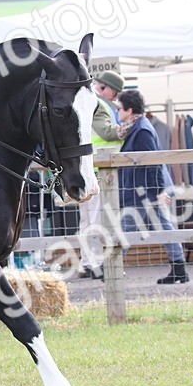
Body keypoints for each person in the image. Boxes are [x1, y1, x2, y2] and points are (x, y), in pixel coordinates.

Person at [115, 89, 189, 284]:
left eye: (119, 108)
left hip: (144, 191)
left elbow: (154, 163)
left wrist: (156, 192)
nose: (117, 112)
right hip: (143, 189)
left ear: (129, 110)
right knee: (161, 227)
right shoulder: (137, 128)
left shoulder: (141, 130)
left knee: (126, 230)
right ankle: (179, 268)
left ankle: (112, 270)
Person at [77, 69, 126, 279]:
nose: (115, 98)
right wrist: (125, 128)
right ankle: (94, 263)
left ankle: (86, 262)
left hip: (87, 167)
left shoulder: (94, 102)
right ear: (105, 88)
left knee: (87, 220)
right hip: (99, 169)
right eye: (114, 93)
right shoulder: (98, 104)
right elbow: (107, 133)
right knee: (95, 219)